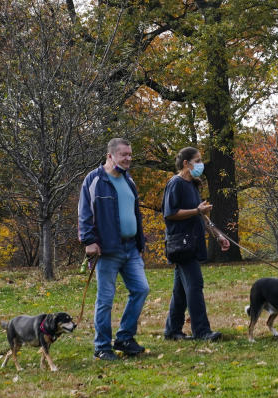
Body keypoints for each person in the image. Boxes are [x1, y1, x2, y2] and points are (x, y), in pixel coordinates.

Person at [78, 138, 150, 361]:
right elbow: (84, 214)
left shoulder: (129, 181)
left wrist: (139, 244)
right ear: (110, 156)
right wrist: (89, 241)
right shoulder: (95, 180)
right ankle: (102, 347)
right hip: (106, 250)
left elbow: (135, 214)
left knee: (141, 289)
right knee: (105, 299)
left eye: (130, 154)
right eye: (123, 155)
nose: (128, 158)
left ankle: (125, 338)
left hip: (130, 249)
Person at [163, 147, 230, 342]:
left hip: (193, 242)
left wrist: (218, 235)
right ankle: (201, 331)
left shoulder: (193, 185)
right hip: (181, 244)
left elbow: (202, 216)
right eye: (198, 160)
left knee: (181, 291)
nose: (201, 164)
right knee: (194, 285)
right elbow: (170, 213)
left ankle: (172, 330)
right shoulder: (175, 184)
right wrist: (196, 210)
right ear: (186, 163)